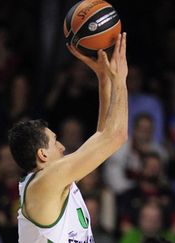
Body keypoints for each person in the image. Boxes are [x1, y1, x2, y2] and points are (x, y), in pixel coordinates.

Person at [8, 33, 128, 243]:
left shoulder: (56, 181)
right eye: (55, 141)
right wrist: (120, 80)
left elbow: (102, 136)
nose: (62, 146)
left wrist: (103, 80)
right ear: (42, 154)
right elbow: (117, 136)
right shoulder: (45, 182)